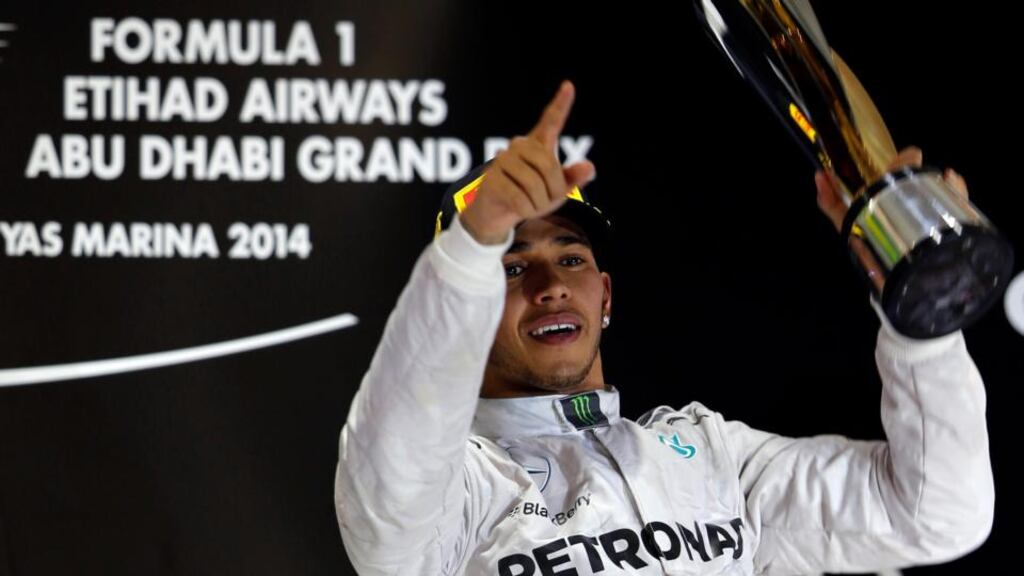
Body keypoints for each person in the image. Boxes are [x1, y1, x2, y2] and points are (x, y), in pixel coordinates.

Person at [333, 81, 993, 575]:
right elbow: (399, 458)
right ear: (468, 308)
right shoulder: (459, 491)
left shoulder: (712, 457)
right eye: (510, 268)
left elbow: (935, 513)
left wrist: (922, 318)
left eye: (570, 257)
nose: (551, 285)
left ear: (606, 295)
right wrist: (468, 250)